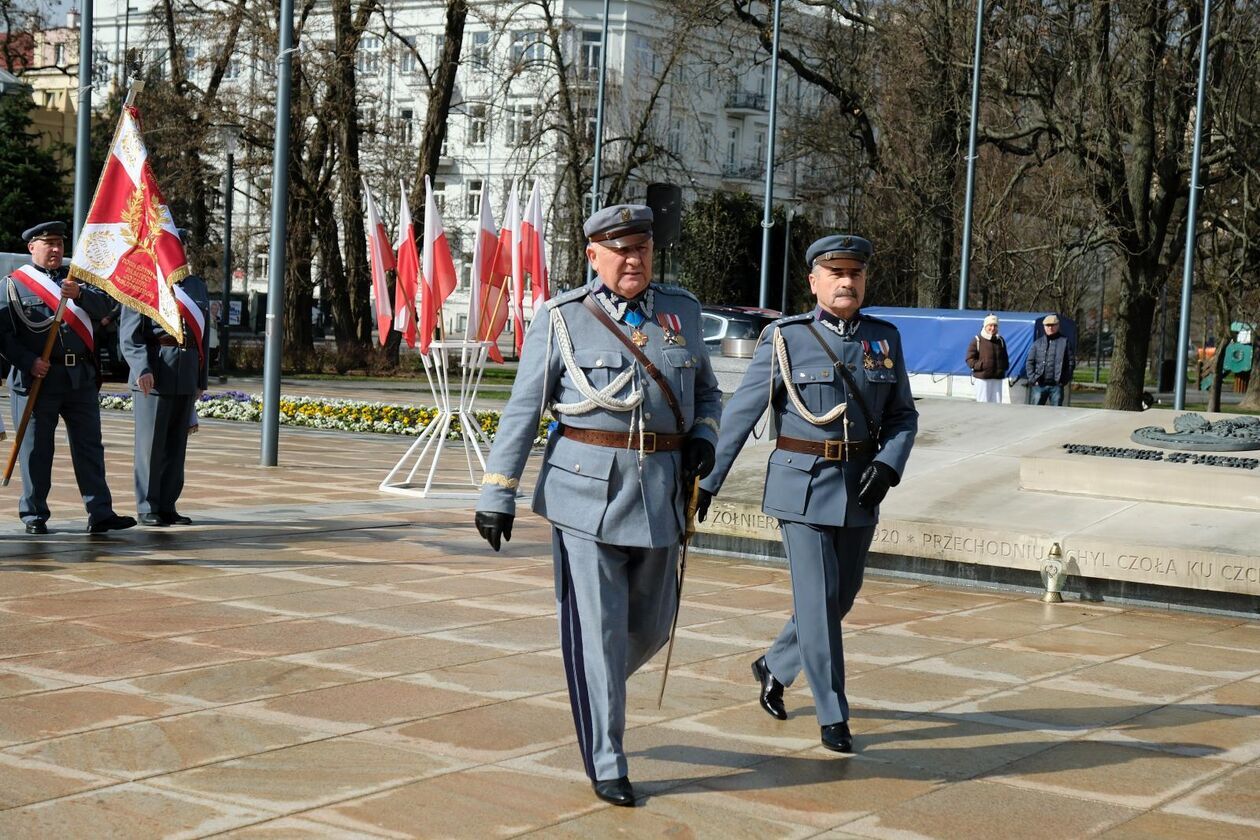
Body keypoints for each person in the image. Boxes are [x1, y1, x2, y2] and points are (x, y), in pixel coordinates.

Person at [473, 204, 722, 807]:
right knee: (603, 629)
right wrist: (497, 492)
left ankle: (594, 678)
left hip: (659, 490)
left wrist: (705, 441)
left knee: (652, 627)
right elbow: (523, 409)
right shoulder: (561, 319)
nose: (633, 259)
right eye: (620, 250)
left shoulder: (680, 312)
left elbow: (708, 391)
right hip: (585, 493)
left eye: (641, 248)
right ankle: (608, 759)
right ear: (594, 256)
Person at [697, 234, 917, 754]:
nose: (847, 282)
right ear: (813, 281)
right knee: (817, 602)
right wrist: (707, 481)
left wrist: (889, 464)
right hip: (802, 488)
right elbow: (742, 413)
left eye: (855, 274)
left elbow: (904, 415)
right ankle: (832, 713)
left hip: (861, 487)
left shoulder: (883, 339)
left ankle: (775, 664)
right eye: (835, 273)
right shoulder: (784, 338)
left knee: (840, 597)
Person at [0, 221, 136, 535]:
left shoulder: (77, 281)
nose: (57, 249)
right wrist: (28, 361)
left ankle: (100, 512)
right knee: (36, 450)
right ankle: (34, 514)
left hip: (79, 378)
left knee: (90, 447)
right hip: (37, 378)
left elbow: (107, 309)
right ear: (32, 247)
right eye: (49, 243)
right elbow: (4, 337)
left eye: (60, 243)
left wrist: (81, 296)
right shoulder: (13, 285)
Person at [119, 231, 209, 526]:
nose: (176, 251)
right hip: (156, 373)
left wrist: (201, 378)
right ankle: (147, 506)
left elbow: (202, 336)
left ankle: (168, 504)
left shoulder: (195, 285)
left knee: (175, 446)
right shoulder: (143, 283)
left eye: (179, 245)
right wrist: (142, 368)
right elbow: (130, 336)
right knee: (150, 446)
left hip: (185, 372)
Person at [1024, 313, 1075, 406]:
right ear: (1044, 327)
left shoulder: (1064, 342)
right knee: (1035, 413)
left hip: (1056, 386)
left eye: (1053, 325)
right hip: (1039, 385)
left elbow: (1071, 362)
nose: (1050, 328)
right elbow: (1029, 362)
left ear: (1058, 326)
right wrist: (1033, 379)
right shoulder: (1037, 343)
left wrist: (1064, 380)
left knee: (1056, 414)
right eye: (1048, 325)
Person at [966, 314, 1009, 402]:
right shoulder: (977, 340)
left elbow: (1005, 358)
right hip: (983, 379)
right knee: (983, 404)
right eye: (990, 325)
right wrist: (982, 366)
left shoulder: (1000, 340)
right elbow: (969, 359)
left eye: (995, 326)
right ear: (985, 326)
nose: (992, 328)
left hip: (997, 379)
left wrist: (1003, 367)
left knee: (996, 405)